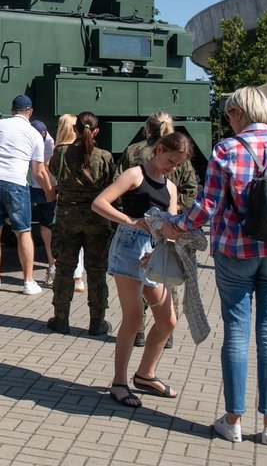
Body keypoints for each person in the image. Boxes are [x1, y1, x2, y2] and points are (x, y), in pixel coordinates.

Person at [163, 87, 267, 445]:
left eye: (229, 114)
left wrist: (179, 226)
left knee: (236, 331)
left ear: (238, 113)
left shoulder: (227, 150)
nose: (228, 121)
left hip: (235, 251)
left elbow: (208, 206)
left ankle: (232, 419)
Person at [92, 132, 192, 408]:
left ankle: (145, 375)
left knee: (168, 320)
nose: (173, 168)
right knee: (134, 317)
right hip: (127, 247)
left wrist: (170, 244)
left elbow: (170, 226)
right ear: (159, 150)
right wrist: (131, 221)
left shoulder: (171, 187)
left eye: (178, 165)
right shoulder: (134, 174)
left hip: (153, 252)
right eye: (171, 161)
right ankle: (119, 382)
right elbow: (99, 203)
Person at [117, 111, 199, 349]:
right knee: (164, 279)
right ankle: (165, 334)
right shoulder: (181, 156)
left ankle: (140, 333)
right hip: (167, 227)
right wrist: (172, 208)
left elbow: (117, 184)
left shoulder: (133, 151)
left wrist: (130, 215)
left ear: (147, 128)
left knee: (135, 286)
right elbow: (191, 190)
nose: (172, 168)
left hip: (135, 227)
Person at [46, 112, 115, 336]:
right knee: (97, 272)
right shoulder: (104, 156)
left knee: (64, 269)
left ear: (75, 129)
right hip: (97, 219)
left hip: (68, 218)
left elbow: (53, 172)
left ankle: (61, 319)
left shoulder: (61, 152)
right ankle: (97, 322)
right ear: (96, 131)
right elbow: (111, 184)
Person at [0, 94, 55, 295]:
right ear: (30, 113)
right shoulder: (34, 135)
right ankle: (28, 282)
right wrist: (50, 193)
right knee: (23, 232)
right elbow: (39, 172)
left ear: (12, 111)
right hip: (16, 183)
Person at [54, 114, 86, 293]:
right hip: (83, 205)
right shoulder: (86, 149)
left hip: (64, 203)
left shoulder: (59, 151)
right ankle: (78, 278)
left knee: (65, 243)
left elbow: (53, 178)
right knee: (80, 243)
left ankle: (64, 279)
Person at [29, 119, 56, 286]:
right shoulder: (45, 138)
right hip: (41, 184)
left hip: (43, 185)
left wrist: (49, 191)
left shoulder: (47, 141)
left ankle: (53, 266)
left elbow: (43, 169)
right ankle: (53, 266)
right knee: (46, 225)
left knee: (47, 225)